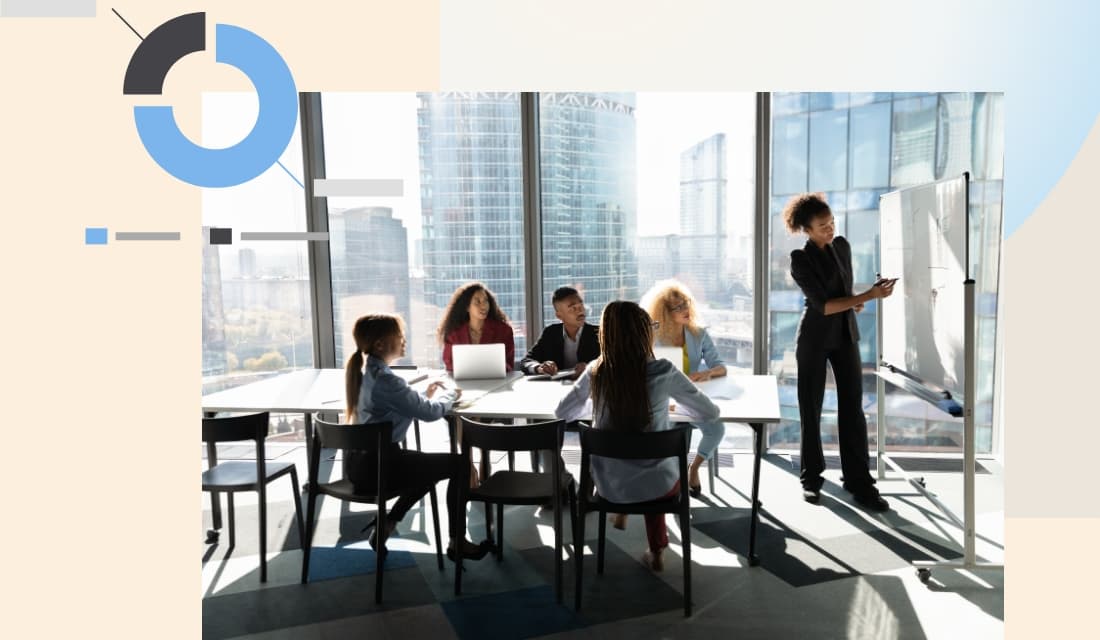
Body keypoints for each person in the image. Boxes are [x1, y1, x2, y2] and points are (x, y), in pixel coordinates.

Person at [555, 301, 720, 572]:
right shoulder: (663, 370)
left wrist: (595, 404)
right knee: (654, 468)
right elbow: (709, 413)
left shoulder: (597, 370)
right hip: (660, 488)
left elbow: (562, 411)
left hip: (607, 486)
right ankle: (657, 551)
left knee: (632, 462)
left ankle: (622, 513)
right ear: (644, 334)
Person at [345, 313, 490, 560]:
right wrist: (451, 395)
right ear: (381, 344)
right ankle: (458, 541)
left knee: (428, 467)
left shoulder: (365, 372)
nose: (404, 340)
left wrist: (423, 392)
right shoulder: (386, 380)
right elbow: (430, 413)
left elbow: (395, 401)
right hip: (381, 469)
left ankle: (388, 523)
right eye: (399, 336)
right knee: (458, 465)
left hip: (360, 466)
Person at [784, 193, 896, 511]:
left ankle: (859, 482)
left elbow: (843, 296)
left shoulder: (843, 247)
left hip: (845, 335)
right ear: (806, 228)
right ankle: (811, 479)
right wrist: (870, 296)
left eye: (832, 222)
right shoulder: (800, 258)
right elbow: (823, 305)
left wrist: (859, 299)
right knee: (811, 409)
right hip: (814, 339)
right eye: (822, 226)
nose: (830, 229)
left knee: (853, 411)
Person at [643, 280, 728, 498]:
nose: (685, 310)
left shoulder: (698, 333)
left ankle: (694, 468)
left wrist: (707, 373)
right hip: (665, 401)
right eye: (678, 307)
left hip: (691, 399)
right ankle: (668, 482)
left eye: (686, 304)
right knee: (665, 436)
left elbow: (720, 367)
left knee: (717, 429)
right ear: (664, 312)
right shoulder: (655, 338)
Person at [520, 286, 600, 379]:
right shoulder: (550, 333)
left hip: (590, 389)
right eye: (573, 308)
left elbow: (613, 364)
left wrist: (591, 368)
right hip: (557, 389)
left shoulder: (599, 333)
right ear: (559, 315)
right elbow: (526, 361)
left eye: (581, 305)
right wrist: (539, 367)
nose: (580, 310)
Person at [438, 282, 515, 373]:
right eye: (477, 302)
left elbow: (509, 364)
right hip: (464, 384)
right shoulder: (454, 334)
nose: (483, 306)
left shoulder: (504, 331)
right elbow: (449, 365)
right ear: (467, 307)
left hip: (496, 382)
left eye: (485, 301)